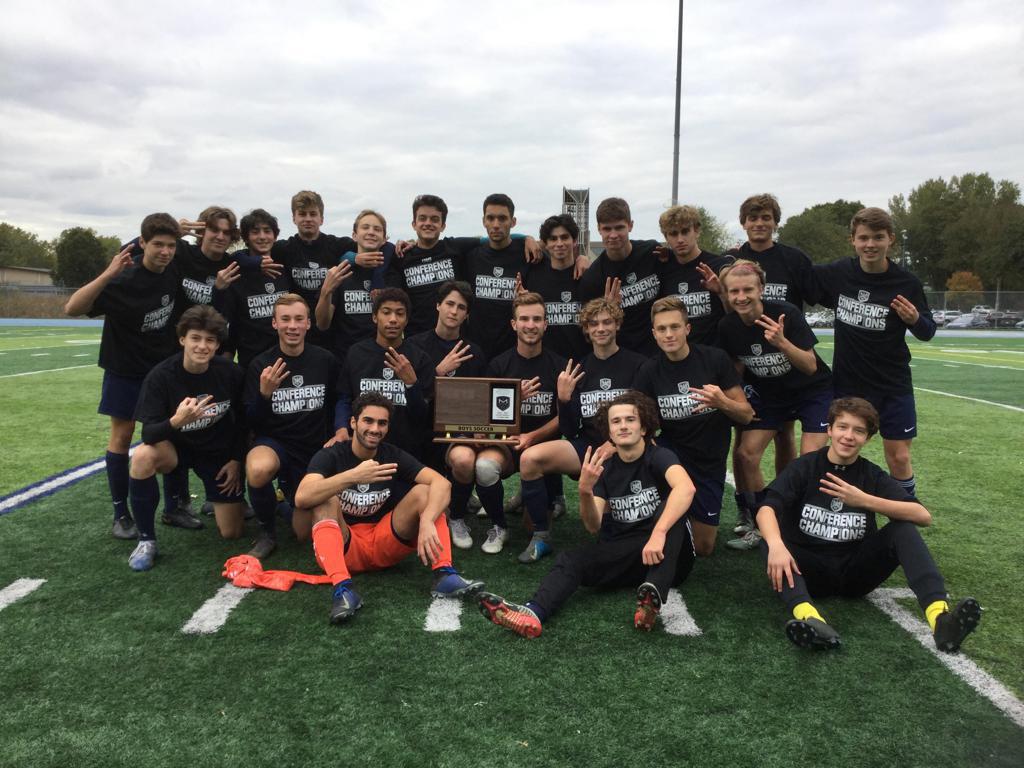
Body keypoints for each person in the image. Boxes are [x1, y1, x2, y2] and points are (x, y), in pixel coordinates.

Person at [756, 397, 981, 652]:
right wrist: (776, 545)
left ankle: (941, 619)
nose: (849, 436)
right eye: (842, 427)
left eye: (859, 431)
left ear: (868, 438)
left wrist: (864, 500)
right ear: (829, 430)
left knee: (903, 528)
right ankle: (811, 619)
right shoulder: (805, 467)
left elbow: (922, 516)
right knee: (770, 539)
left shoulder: (871, 475)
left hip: (855, 573)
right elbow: (766, 509)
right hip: (809, 571)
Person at [477, 391, 696, 637]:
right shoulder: (606, 470)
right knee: (572, 560)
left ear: (644, 427)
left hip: (673, 556)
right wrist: (584, 490)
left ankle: (652, 593)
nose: (623, 426)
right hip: (630, 555)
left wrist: (659, 533)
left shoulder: (658, 456)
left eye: (630, 420)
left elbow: (686, 488)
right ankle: (533, 613)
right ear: (609, 432)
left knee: (671, 508)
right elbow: (594, 526)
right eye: (616, 421)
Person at [295, 393, 483, 625]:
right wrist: (352, 476)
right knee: (325, 500)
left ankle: (444, 574)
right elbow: (302, 497)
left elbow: (442, 484)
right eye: (368, 421)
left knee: (426, 493)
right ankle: (343, 589)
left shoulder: (391, 455)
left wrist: (427, 520)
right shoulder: (332, 454)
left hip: (384, 542)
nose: (375, 429)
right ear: (353, 422)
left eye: (382, 423)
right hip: (345, 546)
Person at [63, 213, 183, 540]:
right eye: (158, 244)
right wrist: (108, 273)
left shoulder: (174, 267)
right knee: (122, 436)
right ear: (142, 243)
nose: (165, 251)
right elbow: (72, 308)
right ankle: (121, 513)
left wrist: (181, 229)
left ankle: (174, 507)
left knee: (170, 434)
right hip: (125, 370)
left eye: (171, 245)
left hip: (161, 370)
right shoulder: (122, 279)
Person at [810, 207, 935, 498]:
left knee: (899, 457)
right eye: (863, 238)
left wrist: (914, 319)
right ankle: (829, 508)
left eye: (878, 237)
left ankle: (904, 516)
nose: (870, 244)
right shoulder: (839, 272)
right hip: (848, 384)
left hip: (892, 384)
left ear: (890, 239)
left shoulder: (907, 283)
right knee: (840, 451)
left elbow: (927, 331)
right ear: (852, 240)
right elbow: (798, 275)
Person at [515, 298, 647, 563]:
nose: (601, 328)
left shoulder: (638, 364)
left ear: (617, 325)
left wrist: (617, 445)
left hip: (625, 450)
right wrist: (564, 401)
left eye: (607, 322)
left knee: (609, 535)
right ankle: (541, 536)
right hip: (587, 446)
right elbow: (568, 429)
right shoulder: (579, 368)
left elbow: (649, 418)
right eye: (593, 323)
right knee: (530, 459)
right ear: (586, 330)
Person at [716, 260, 833, 549]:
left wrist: (782, 343)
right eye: (734, 292)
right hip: (770, 395)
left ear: (761, 289)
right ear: (727, 295)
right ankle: (760, 523)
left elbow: (809, 366)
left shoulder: (786, 313)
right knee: (746, 454)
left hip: (811, 392)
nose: (741, 297)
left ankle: (801, 522)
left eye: (747, 290)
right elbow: (737, 369)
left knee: (809, 457)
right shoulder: (728, 326)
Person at [126, 306, 247, 571]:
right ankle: (146, 540)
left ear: (217, 345)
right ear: (182, 339)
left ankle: (212, 501)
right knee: (143, 457)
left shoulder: (230, 372)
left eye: (210, 340)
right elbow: (148, 434)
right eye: (195, 338)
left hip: (217, 453)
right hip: (176, 451)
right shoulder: (161, 376)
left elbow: (245, 419)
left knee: (232, 532)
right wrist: (178, 421)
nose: (202, 346)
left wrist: (237, 459)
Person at [447, 292, 565, 555]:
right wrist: (514, 399)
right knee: (485, 466)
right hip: (506, 445)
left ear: (546, 324)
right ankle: (499, 526)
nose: (530, 325)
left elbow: (564, 418)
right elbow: (486, 416)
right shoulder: (499, 364)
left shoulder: (558, 365)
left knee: (532, 526)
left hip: (542, 450)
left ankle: (533, 493)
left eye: (537, 319)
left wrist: (532, 436)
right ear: (514, 324)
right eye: (524, 319)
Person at [635, 297, 753, 556]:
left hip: (708, 461)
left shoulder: (715, 360)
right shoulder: (650, 370)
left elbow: (746, 414)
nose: (669, 334)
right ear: (654, 334)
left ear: (687, 329)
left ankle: (680, 519)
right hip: (672, 457)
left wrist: (721, 402)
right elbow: (641, 422)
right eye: (662, 329)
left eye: (675, 327)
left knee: (703, 548)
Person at [244, 293, 340, 558]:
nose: (292, 326)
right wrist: (264, 395)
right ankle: (266, 532)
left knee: (303, 534)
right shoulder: (260, 365)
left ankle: (281, 505)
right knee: (259, 468)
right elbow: (251, 421)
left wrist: (339, 432)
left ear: (309, 323)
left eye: (299, 319)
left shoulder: (325, 360)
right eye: (285, 319)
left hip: (312, 449)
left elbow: (337, 402)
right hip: (275, 445)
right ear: (274, 323)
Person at [405, 280, 488, 537]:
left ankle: (458, 512)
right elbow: (409, 394)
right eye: (449, 304)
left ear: (467, 314)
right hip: (420, 427)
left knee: (463, 459)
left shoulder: (473, 351)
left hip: (458, 430)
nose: (453, 311)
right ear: (438, 305)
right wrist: (439, 372)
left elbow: (481, 400)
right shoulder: (414, 346)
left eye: (460, 307)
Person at [334, 287, 434, 455]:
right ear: (375, 317)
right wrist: (341, 428)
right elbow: (344, 398)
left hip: (406, 451)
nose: (393, 319)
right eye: (386, 312)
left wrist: (411, 384)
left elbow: (422, 417)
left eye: (400, 314)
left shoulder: (420, 358)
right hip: (361, 449)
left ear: (407, 320)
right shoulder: (356, 353)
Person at [274, 190, 379, 348]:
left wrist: (353, 258)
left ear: (321, 219)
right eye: (302, 214)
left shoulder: (336, 245)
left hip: (331, 331)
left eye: (313, 214)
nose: (308, 219)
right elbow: (246, 253)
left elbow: (373, 246)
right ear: (294, 218)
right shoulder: (284, 249)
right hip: (296, 327)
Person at [579, 197, 663, 356]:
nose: (613, 235)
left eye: (619, 227)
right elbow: (591, 329)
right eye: (607, 229)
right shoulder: (593, 278)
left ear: (630, 225)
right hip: (625, 358)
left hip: (661, 351)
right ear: (598, 229)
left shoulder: (652, 252)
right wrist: (609, 310)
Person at [216, 209, 297, 370]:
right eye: (255, 232)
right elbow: (227, 320)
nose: (262, 237)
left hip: (287, 358)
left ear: (275, 235)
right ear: (246, 237)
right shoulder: (236, 273)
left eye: (267, 231)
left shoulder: (284, 266)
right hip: (252, 362)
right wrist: (227, 352)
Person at [461, 194, 535, 360]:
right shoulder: (470, 256)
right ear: (483, 221)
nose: (496, 225)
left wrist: (582, 259)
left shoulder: (527, 255)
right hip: (475, 350)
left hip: (513, 352)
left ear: (513, 222)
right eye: (491, 218)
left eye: (502, 218)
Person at [315, 209, 391, 363]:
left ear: (384, 239)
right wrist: (326, 292)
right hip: (345, 359)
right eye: (365, 227)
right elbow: (322, 324)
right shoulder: (340, 272)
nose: (371, 232)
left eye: (377, 229)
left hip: (381, 360)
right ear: (354, 235)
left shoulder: (392, 272)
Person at [656, 204, 731, 347]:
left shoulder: (720, 266)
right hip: (677, 357)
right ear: (666, 237)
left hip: (714, 357)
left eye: (685, 232)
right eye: (673, 233)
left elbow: (737, 315)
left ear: (696, 231)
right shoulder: (663, 269)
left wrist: (722, 293)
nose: (680, 239)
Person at [525, 214, 588, 361]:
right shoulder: (533, 275)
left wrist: (584, 258)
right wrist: (527, 238)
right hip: (545, 364)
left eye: (565, 237)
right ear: (545, 244)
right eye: (553, 239)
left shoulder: (587, 276)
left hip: (583, 363)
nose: (559, 243)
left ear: (574, 241)